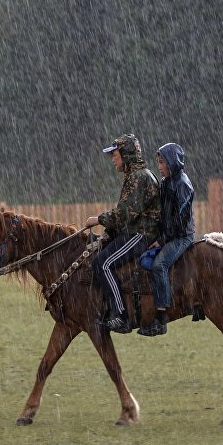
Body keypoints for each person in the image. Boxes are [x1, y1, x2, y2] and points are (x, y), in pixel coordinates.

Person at [84, 134, 161, 333]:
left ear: (126, 155)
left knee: (102, 263)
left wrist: (98, 220)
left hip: (141, 234)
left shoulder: (138, 177)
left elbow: (124, 215)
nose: (113, 159)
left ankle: (120, 316)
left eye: (115, 154)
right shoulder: (135, 175)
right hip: (135, 231)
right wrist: (105, 236)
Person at [138, 142, 194, 336]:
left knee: (159, 266)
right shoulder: (165, 182)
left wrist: (161, 241)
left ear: (173, 162)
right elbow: (162, 215)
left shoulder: (183, 186)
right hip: (167, 235)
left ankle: (161, 317)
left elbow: (179, 222)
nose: (159, 167)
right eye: (158, 163)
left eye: (162, 163)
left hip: (182, 237)